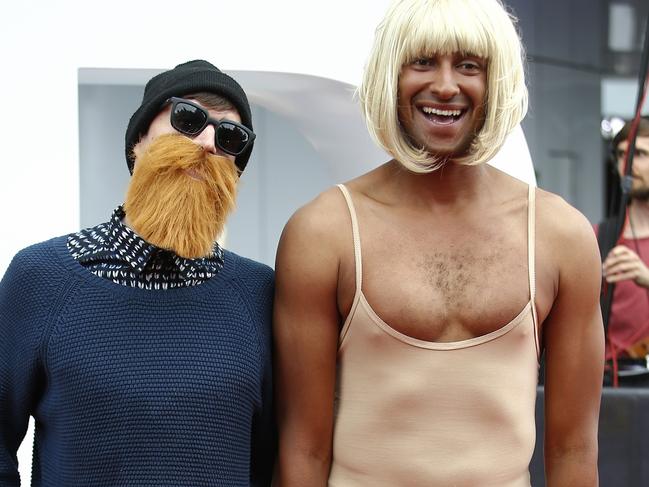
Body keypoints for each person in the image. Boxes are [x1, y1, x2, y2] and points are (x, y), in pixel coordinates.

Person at [273, 1, 604, 485]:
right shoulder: (325, 231)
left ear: (497, 81)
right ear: (391, 74)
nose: (446, 85)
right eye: (423, 62)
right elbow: (302, 448)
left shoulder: (561, 235)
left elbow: (573, 449)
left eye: (469, 65)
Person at [0, 60, 274, 486]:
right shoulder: (43, 278)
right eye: (188, 118)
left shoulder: (258, 293)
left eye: (229, 137)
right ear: (138, 140)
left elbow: (275, 458)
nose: (206, 143)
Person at [600, 117, 649, 365]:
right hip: (608, 380)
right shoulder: (600, 235)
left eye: (639, 154)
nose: (627, 165)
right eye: (622, 155)